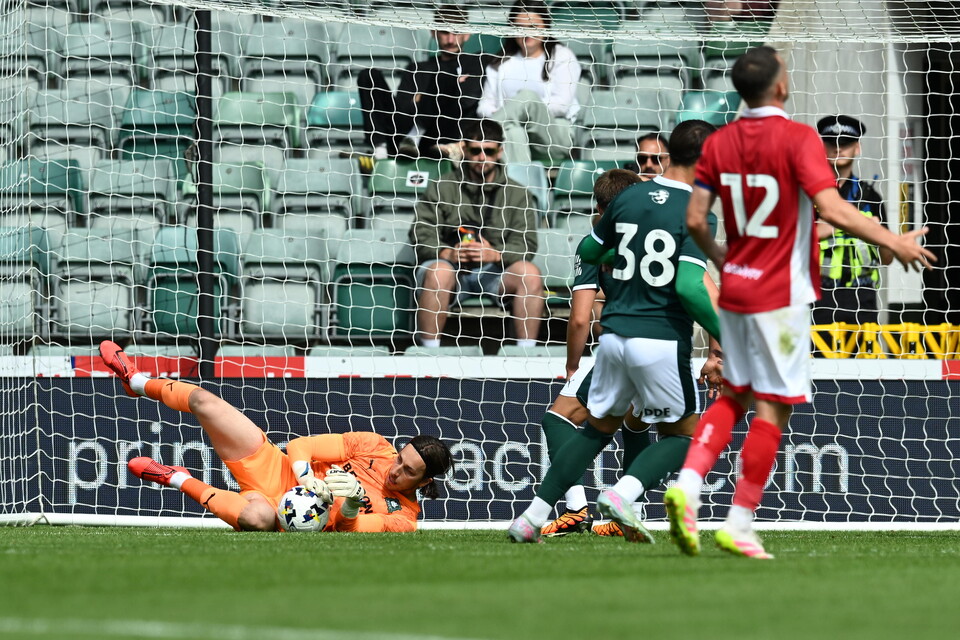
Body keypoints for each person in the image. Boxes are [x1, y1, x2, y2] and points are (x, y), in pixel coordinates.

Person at [665, 46, 934, 560]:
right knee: (774, 406)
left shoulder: (718, 145)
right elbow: (831, 205)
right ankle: (740, 522)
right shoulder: (797, 138)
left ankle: (690, 483)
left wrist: (728, 257)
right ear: (781, 87)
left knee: (735, 394)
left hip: (739, 288)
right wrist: (893, 241)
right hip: (781, 295)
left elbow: (696, 220)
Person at [508, 120, 724, 544]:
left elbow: (589, 250)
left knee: (596, 429)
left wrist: (624, 250)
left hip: (613, 338)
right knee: (690, 436)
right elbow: (689, 285)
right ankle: (625, 494)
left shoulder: (629, 197)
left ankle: (531, 519)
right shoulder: (698, 212)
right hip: (660, 337)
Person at [100, 341, 453, 532]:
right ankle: (137, 383)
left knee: (256, 521)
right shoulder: (375, 445)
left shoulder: (403, 518)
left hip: (283, 514)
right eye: (400, 460)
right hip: (276, 469)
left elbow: (351, 530)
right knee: (205, 402)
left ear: (424, 482)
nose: (396, 470)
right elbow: (301, 446)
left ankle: (177, 478)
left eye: (408, 472)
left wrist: (346, 503)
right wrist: (304, 477)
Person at [539, 168, 650, 538]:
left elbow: (579, 318)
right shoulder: (660, 235)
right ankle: (626, 515)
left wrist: (573, 364)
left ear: (599, 208)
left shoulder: (596, 241)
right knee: (636, 424)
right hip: (667, 348)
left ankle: (575, 509)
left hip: (622, 347)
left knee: (559, 418)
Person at [410, 118, 543, 347]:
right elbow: (420, 231)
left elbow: (526, 243)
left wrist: (496, 255)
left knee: (529, 274)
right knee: (439, 272)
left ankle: (525, 355)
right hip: (452, 269)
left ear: (500, 151)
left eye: (489, 152)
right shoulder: (441, 186)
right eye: (476, 150)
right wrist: (447, 253)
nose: (482, 158)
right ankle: (428, 355)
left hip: (495, 271)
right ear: (464, 149)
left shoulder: (518, 193)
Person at [357, 4, 488, 159]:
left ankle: (414, 137)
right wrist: (454, 85)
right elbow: (403, 107)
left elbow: (465, 101)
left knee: (444, 77)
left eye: (456, 33)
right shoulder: (416, 68)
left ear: (466, 34)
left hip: (444, 134)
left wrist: (422, 96)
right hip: (403, 132)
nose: (451, 39)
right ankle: (380, 148)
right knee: (368, 75)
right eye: (445, 32)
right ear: (434, 32)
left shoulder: (477, 61)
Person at [476, 0, 582, 163]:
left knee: (526, 97)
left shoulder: (562, 56)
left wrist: (523, 108)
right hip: (510, 136)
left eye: (533, 27)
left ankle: (474, 142)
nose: (527, 33)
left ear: (545, 26)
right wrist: (513, 114)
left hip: (553, 138)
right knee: (514, 132)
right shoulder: (500, 63)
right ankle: (522, 187)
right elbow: (484, 106)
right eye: (520, 27)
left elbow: (561, 105)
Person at [812, 114, 892, 326]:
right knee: (815, 358)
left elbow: (887, 259)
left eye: (845, 143)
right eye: (831, 142)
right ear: (822, 146)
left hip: (862, 297)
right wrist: (818, 231)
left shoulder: (870, 197)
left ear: (858, 147)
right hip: (818, 295)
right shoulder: (806, 195)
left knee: (864, 358)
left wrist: (877, 234)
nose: (838, 149)